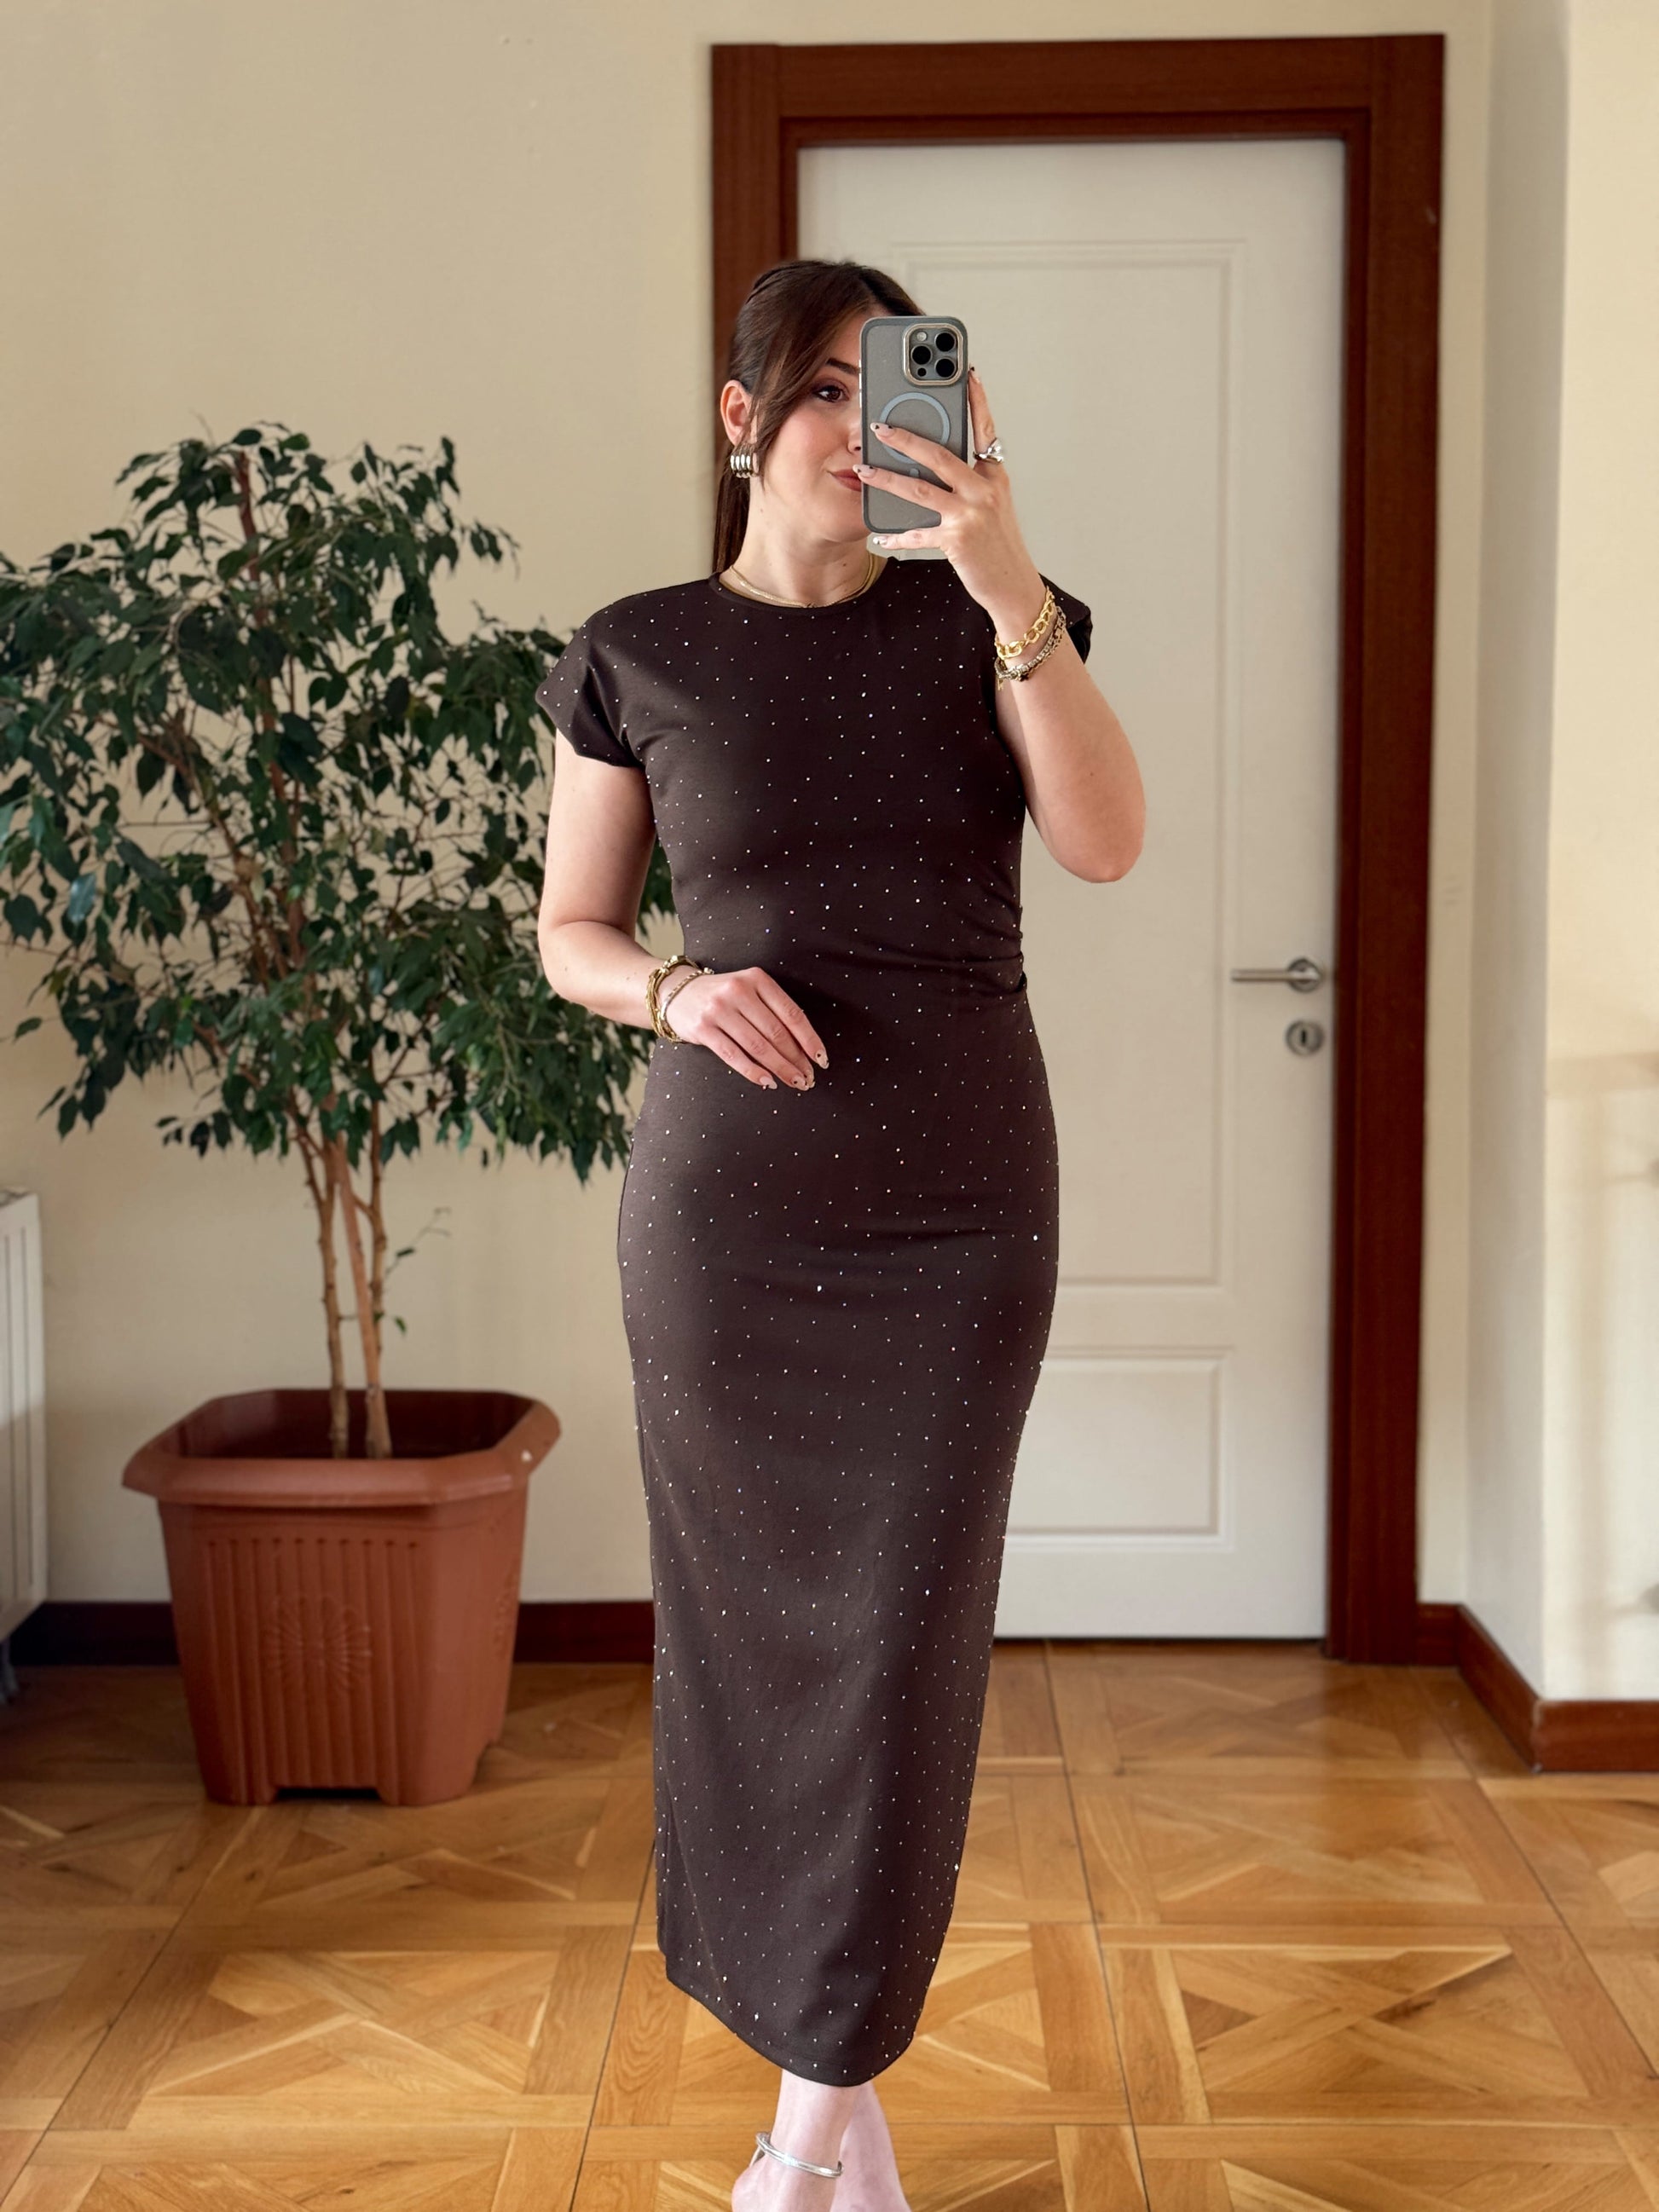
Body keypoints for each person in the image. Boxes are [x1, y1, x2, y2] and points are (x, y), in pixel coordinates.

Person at [535, 258, 1144, 2210]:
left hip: (960, 1216)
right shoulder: (637, 651)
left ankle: (795, 2155)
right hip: (726, 1227)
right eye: (819, 389)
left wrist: (1008, 582)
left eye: (894, 389)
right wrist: (674, 990)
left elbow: (1107, 842)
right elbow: (569, 934)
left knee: (897, 1650)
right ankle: (839, 2122)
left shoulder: (995, 620)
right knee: (744, 1647)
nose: (856, 428)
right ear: (740, 419)